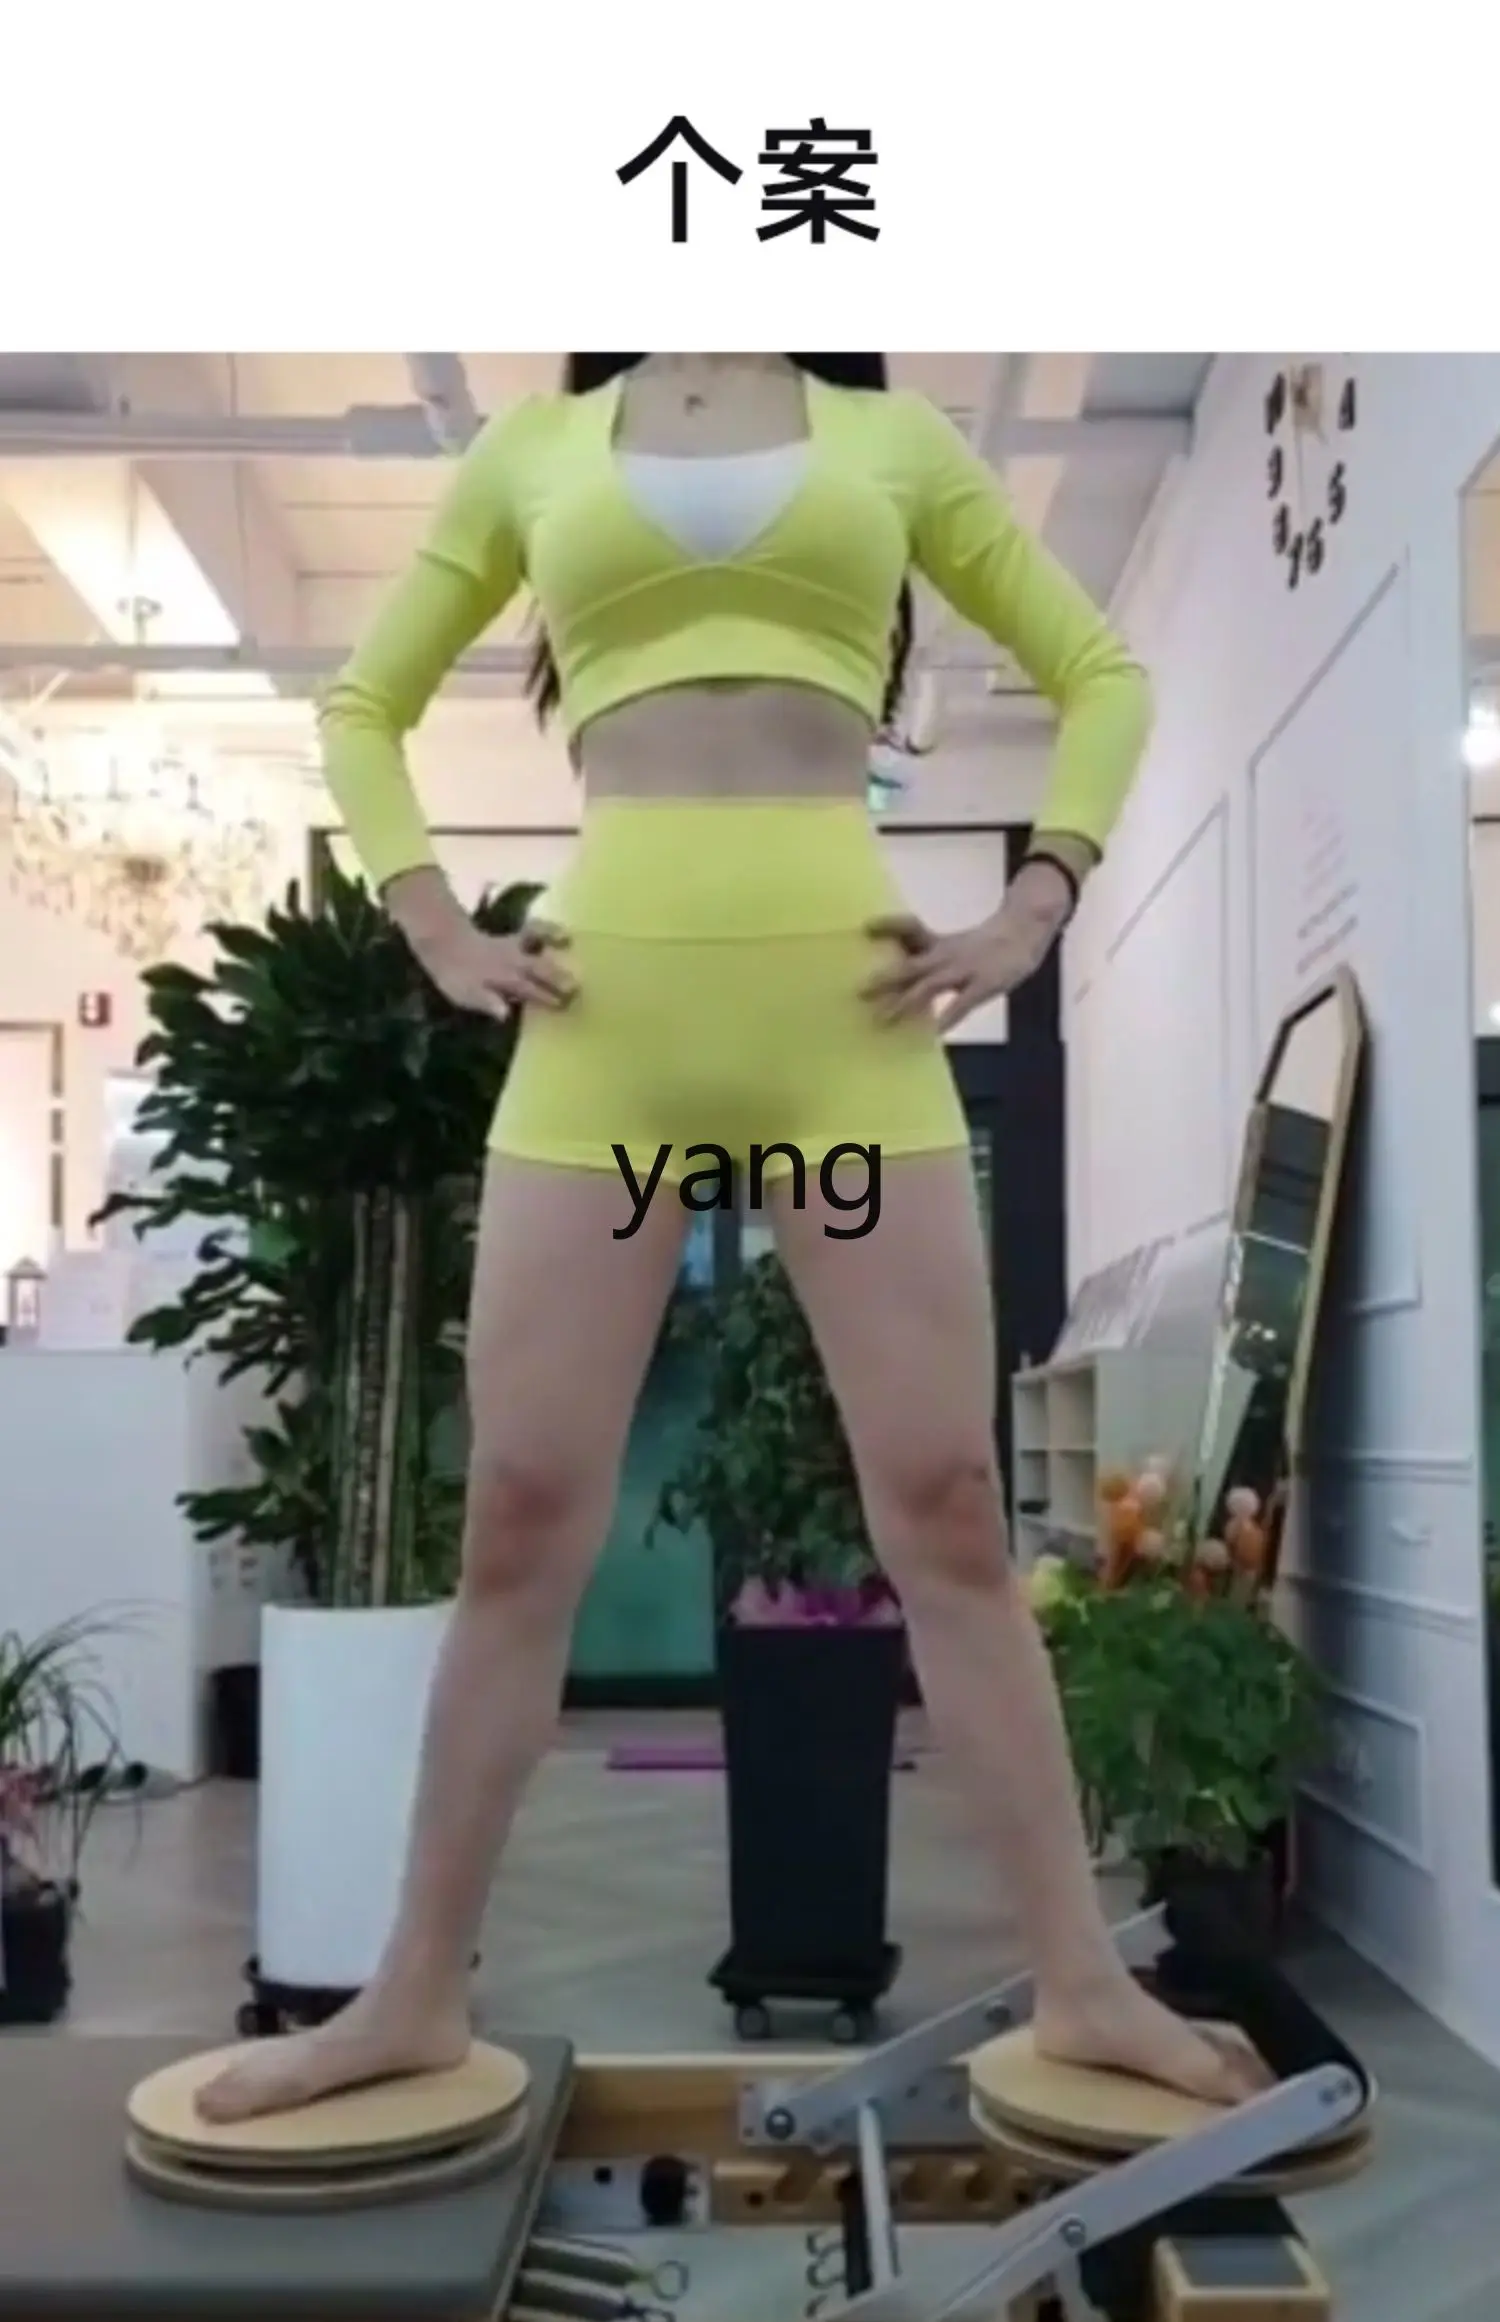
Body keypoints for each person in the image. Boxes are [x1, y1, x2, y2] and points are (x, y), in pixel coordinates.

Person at [198, 353, 1265, 2122]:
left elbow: (1105, 675)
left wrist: (1034, 902)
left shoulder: (893, 441)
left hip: (842, 1029)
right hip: (607, 1033)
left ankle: (1083, 1979)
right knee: (522, 1515)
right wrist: (435, 923)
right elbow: (363, 704)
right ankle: (410, 1990)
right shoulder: (536, 449)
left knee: (947, 1508)